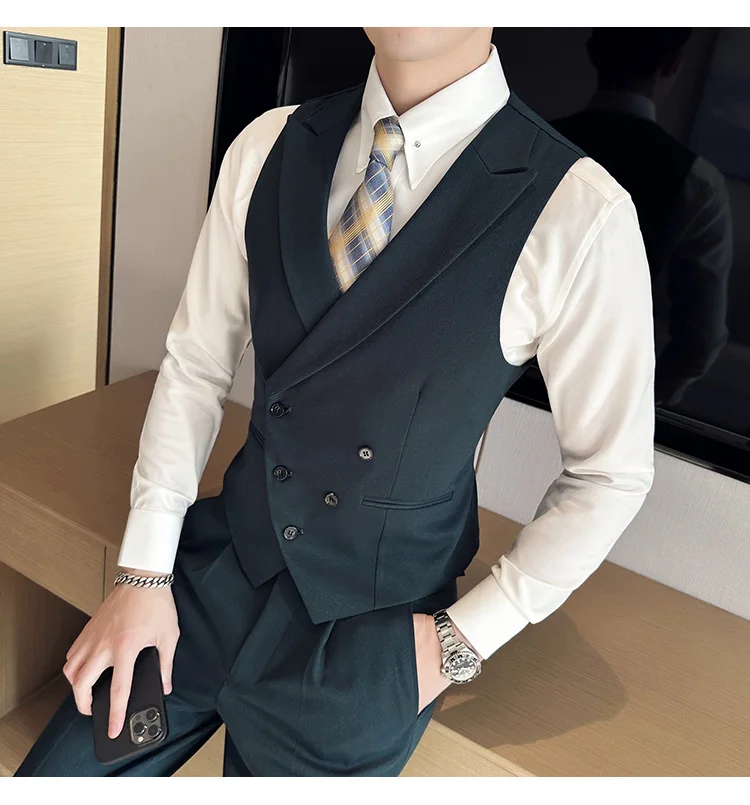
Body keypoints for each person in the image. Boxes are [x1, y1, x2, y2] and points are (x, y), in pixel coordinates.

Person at [15, 27, 655, 777]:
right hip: (210, 578)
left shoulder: (579, 211)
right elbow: (196, 365)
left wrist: (459, 642)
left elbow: (609, 474)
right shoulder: (268, 144)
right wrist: (142, 573)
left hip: (367, 646)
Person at [551, 28, 732, 407]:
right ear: (673, 64)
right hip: (603, 394)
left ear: (594, 51)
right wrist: (644, 404)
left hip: (501, 377)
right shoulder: (698, 183)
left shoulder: (535, 144)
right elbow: (701, 340)